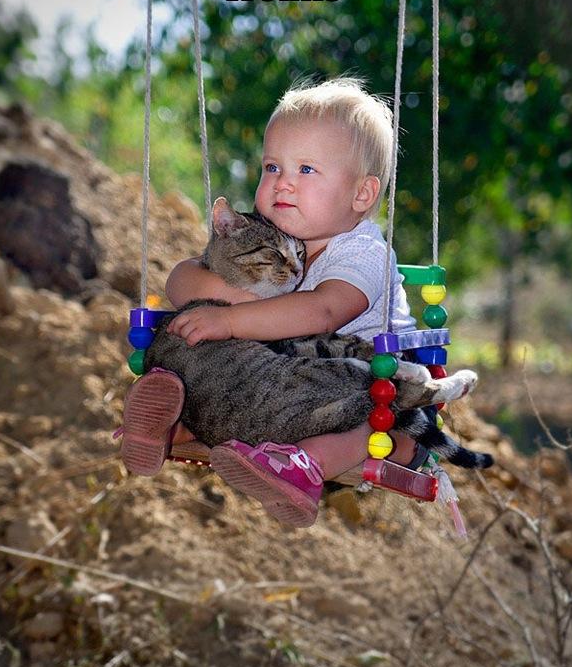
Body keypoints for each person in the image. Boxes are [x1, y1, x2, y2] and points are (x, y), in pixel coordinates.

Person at [122, 77, 423, 526]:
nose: (282, 184)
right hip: (287, 383)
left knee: (378, 426)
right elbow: (184, 277)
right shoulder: (276, 234)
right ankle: (173, 421)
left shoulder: (363, 252)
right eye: (271, 167)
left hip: (375, 380)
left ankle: (304, 467)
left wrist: (231, 320)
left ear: (361, 194)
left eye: (305, 170)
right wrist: (227, 300)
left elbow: (323, 311)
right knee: (197, 343)